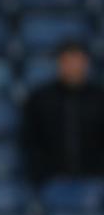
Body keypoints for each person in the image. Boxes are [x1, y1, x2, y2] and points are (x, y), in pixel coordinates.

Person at [22, 41, 104, 183]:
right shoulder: (40, 98)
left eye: (77, 62)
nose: (73, 67)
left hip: (96, 180)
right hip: (51, 180)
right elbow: (30, 140)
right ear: (59, 64)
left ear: (86, 64)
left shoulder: (100, 98)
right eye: (68, 62)